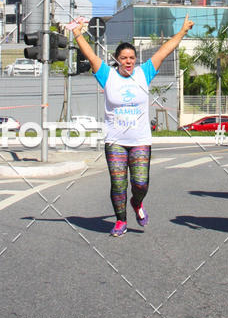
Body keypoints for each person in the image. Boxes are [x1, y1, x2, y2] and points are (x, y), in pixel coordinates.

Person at [73, 15, 193, 237]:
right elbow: (90, 55)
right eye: (123, 58)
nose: (128, 61)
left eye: (131, 58)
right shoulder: (107, 75)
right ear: (117, 59)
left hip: (140, 141)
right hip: (115, 141)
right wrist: (77, 33)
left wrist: (183, 31)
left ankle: (137, 203)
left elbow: (164, 50)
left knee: (140, 184)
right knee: (118, 183)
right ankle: (121, 221)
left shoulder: (143, 73)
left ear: (136, 60)